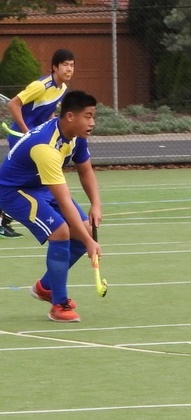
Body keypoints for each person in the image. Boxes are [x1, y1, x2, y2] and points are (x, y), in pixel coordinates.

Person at [0, 90, 102, 322]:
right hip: (13, 190)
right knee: (61, 232)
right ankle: (59, 304)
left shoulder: (76, 136)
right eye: (87, 116)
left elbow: (85, 170)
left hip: (38, 185)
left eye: (93, 116)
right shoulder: (45, 147)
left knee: (83, 231)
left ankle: (45, 287)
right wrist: (90, 243)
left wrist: (96, 205)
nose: (92, 122)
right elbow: (64, 200)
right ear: (69, 117)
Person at [0, 48, 75, 238]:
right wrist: (26, 132)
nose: (69, 69)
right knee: (18, 181)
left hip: (36, 138)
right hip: (21, 136)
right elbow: (13, 104)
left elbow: (47, 112)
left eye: (72, 65)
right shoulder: (41, 85)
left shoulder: (63, 89)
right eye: (65, 65)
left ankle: (6, 219)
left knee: (33, 180)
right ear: (54, 67)